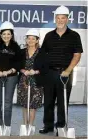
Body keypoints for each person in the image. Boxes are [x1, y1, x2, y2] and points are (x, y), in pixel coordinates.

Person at [39, 5, 83, 135]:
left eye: (63, 18)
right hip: (50, 73)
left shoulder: (74, 36)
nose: (60, 20)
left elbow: (77, 55)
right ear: (55, 19)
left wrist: (68, 71)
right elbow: (43, 55)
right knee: (48, 101)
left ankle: (60, 127)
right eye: (58, 18)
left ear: (67, 19)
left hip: (65, 73)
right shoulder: (49, 36)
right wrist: (44, 71)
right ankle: (48, 126)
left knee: (63, 101)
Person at [0, 21, 21, 132]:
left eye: (8, 34)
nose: (6, 36)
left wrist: (9, 71)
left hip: (11, 77)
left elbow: (18, 63)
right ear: (0, 35)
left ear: (11, 35)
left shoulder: (16, 47)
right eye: (4, 34)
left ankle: (6, 124)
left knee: (7, 102)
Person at [16, 28, 48, 127]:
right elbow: (17, 65)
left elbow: (46, 67)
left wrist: (35, 71)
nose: (30, 41)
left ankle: (30, 126)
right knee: (25, 105)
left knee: (33, 106)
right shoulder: (21, 52)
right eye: (28, 38)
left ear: (37, 40)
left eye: (33, 39)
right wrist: (23, 70)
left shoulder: (42, 52)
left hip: (36, 82)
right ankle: (25, 124)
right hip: (23, 82)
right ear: (26, 40)